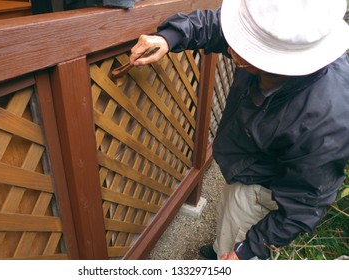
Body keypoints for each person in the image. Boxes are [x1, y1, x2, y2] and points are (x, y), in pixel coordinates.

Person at [129, 0, 349, 260]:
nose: (232, 49)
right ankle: (218, 247)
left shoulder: (326, 121)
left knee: (235, 240)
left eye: (247, 52)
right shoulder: (279, 40)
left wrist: (249, 249)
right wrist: (171, 36)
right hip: (246, 166)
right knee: (228, 215)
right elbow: (218, 27)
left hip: (264, 191)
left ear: (281, 63)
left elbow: (305, 202)